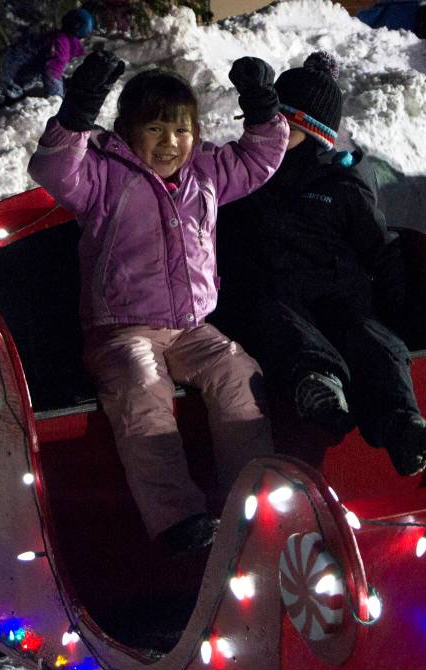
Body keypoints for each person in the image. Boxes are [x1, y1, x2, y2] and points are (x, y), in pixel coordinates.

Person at [28, 51, 289, 554]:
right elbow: (54, 168)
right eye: (154, 130)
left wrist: (262, 108)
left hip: (192, 328)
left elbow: (259, 159)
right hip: (121, 330)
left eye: (181, 131)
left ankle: (252, 504)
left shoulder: (208, 171)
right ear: (127, 130)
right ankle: (177, 520)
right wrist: (77, 111)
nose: (171, 143)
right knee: (143, 388)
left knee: (239, 373)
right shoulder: (102, 175)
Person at [213, 51, 426, 477]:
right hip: (279, 296)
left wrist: (404, 313)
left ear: (312, 133)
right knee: (279, 318)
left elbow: (381, 250)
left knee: (373, 338)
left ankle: (401, 423)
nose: (271, 133)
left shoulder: (342, 184)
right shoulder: (249, 175)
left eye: (286, 127)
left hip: (335, 294)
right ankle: (319, 386)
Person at [0, 8, 94, 104]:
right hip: (9, 81)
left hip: (9, 74)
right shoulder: (62, 43)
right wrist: (56, 101)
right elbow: (53, 72)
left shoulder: (56, 37)